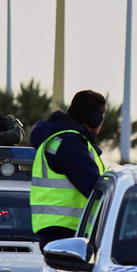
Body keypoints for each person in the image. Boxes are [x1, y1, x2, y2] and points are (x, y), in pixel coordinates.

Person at [29, 90, 107, 247]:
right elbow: (94, 187)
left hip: (61, 231)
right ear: (95, 118)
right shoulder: (70, 143)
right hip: (66, 232)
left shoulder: (64, 139)